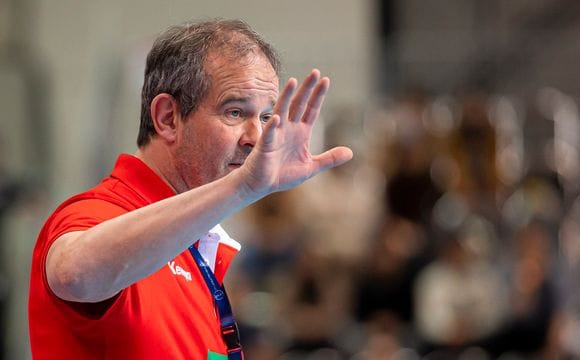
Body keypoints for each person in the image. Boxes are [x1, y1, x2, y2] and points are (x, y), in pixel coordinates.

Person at [28, 19, 352, 360]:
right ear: (168, 118)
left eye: (266, 117)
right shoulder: (98, 213)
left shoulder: (194, 242)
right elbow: (73, 274)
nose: (256, 137)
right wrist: (242, 188)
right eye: (235, 112)